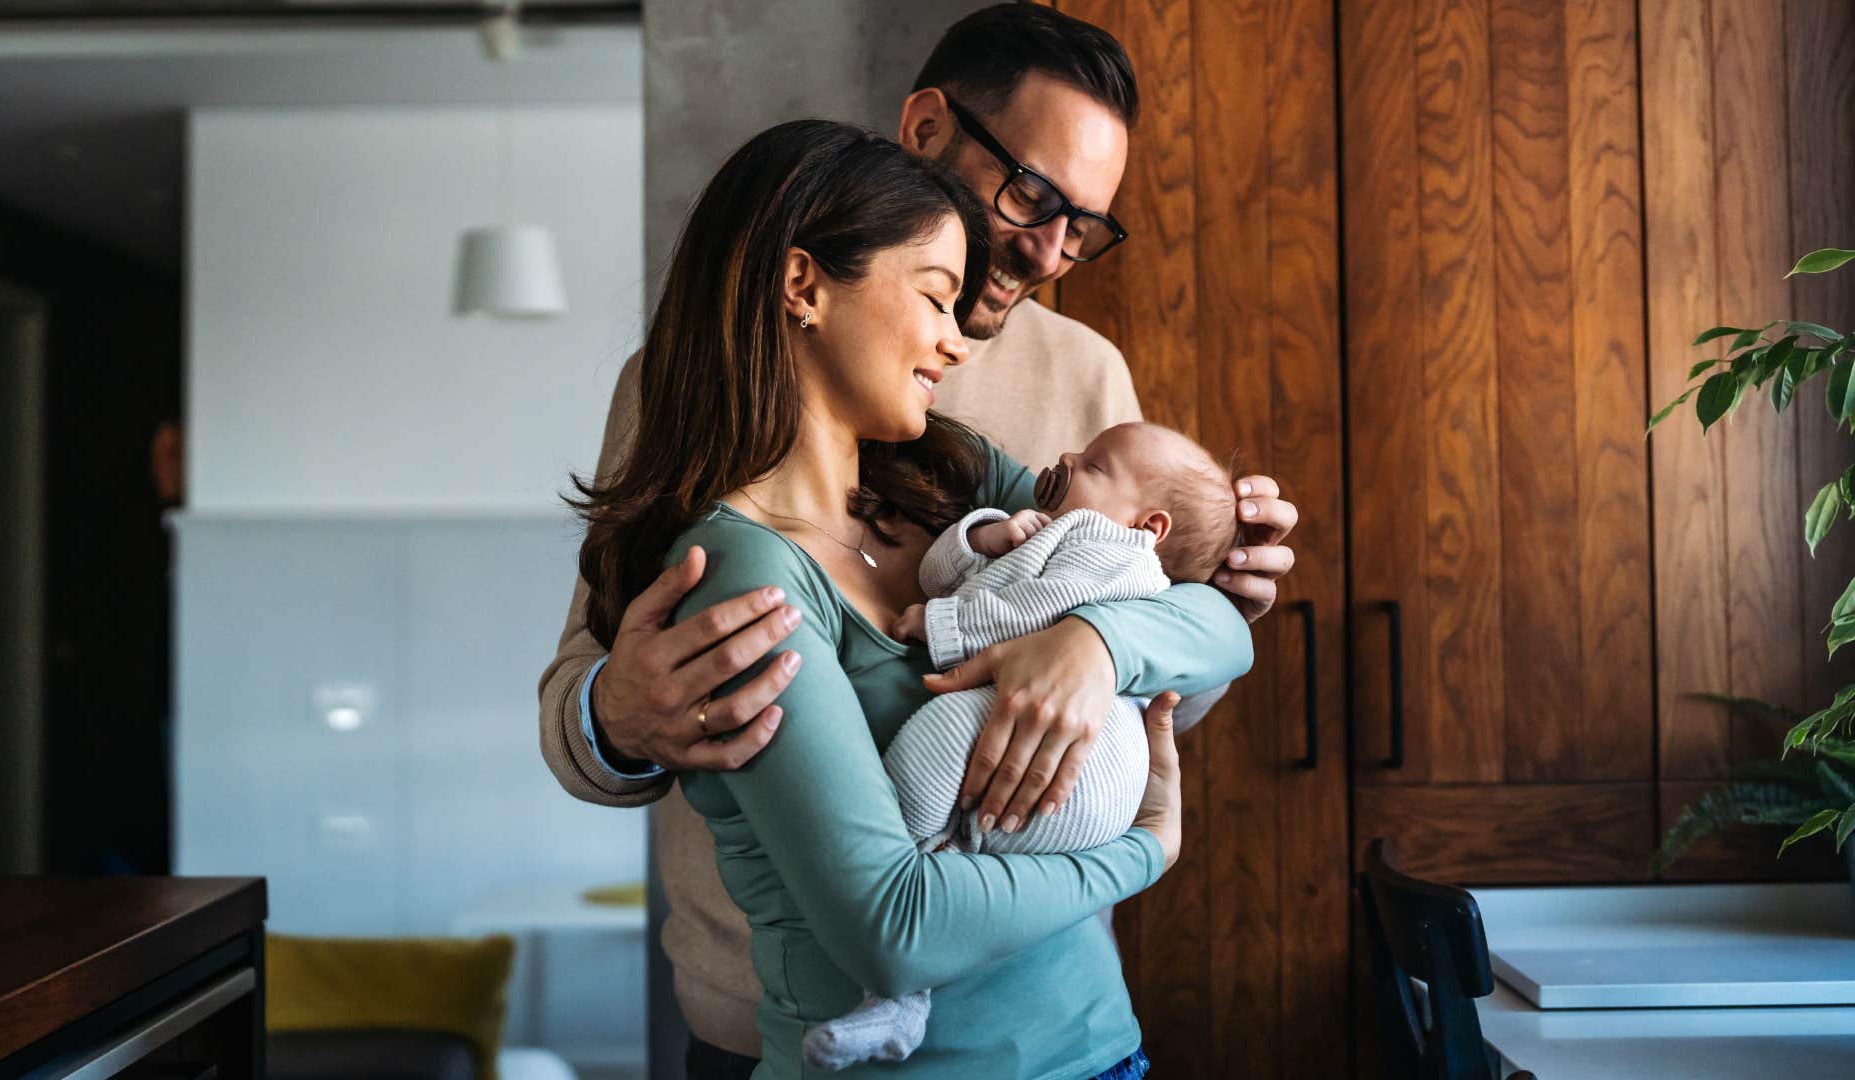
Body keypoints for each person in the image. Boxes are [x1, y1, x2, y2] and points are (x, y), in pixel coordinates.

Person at [538, 6, 1300, 1072]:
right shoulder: (707, 460)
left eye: (1083, 229)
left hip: (1074, 1022)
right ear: (929, 130)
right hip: (803, 1014)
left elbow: (1163, 672)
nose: (1048, 250)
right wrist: (618, 712)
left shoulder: (1022, 417)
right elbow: (591, 680)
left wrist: (1121, 640)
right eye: (1033, 197)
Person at [805, 421, 1245, 1070]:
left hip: (1089, 768)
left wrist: (943, 625)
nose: (1066, 457)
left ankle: (908, 937)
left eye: (1094, 465)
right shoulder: (1053, 526)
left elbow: (1038, 611)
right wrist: (988, 535)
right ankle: (909, 969)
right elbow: (943, 572)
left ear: (1149, 527)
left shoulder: (1114, 549)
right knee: (947, 776)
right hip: (1077, 779)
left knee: (933, 740)